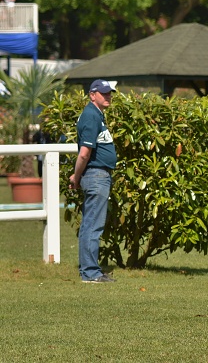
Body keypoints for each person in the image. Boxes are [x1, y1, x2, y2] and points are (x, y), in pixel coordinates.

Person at [69, 79, 118, 283]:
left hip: (99, 175)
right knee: (92, 225)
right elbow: (84, 153)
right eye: (104, 93)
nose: (108, 96)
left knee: (93, 224)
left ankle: (90, 271)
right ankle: (90, 273)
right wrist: (76, 176)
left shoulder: (96, 115)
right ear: (92, 95)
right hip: (96, 175)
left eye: (109, 93)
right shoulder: (91, 115)